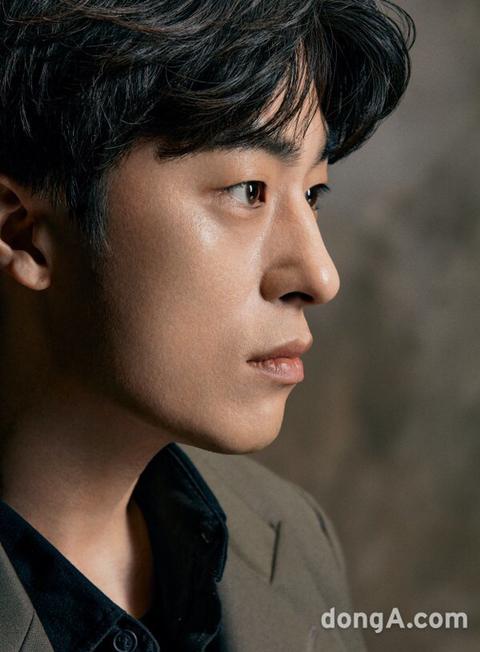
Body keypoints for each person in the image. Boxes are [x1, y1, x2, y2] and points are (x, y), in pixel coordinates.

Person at [0, 1, 414, 650]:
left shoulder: (292, 536)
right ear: (23, 232)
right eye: (248, 190)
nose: (320, 276)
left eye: (312, 193)